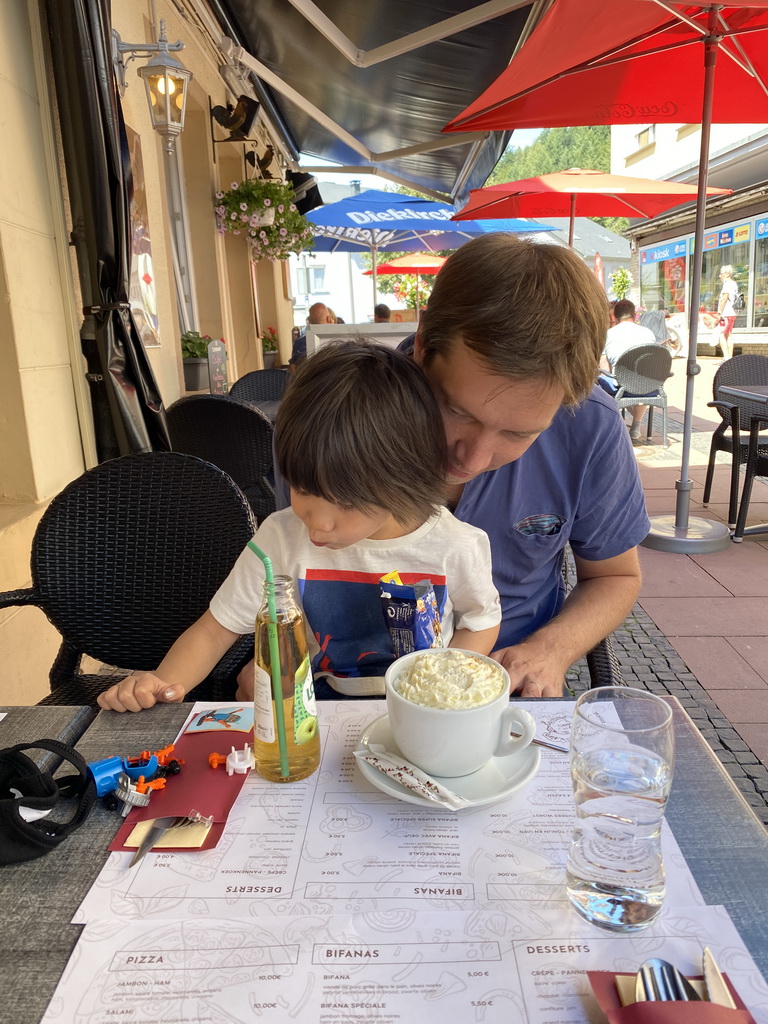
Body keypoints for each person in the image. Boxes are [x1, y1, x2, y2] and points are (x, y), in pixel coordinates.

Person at [272, 234, 648, 699]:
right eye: (457, 410)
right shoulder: (342, 415)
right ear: (424, 345)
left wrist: (551, 648)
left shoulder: (590, 426)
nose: (470, 460)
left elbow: (615, 575)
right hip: (342, 688)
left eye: (517, 433)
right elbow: (287, 565)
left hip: (502, 689)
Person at [96, 343, 501, 711]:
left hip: (419, 718)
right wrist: (163, 684)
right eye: (304, 489)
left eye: (346, 502)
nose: (318, 524)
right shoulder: (280, 536)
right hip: (312, 712)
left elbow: (480, 621)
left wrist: (445, 690)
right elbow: (214, 631)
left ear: (405, 478)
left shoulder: (455, 545)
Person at [597, 298, 658, 440]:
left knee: (600, 380)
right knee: (642, 374)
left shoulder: (609, 334)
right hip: (650, 384)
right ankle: (636, 425)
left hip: (622, 383)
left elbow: (604, 367)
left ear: (614, 317)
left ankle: (611, 425)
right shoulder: (648, 333)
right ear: (634, 315)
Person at [288, 302, 334, 372]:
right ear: (328, 319)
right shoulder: (336, 340)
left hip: (307, 381)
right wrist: (333, 328)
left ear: (310, 321)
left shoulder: (299, 343)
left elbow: (293, 369)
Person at [717, 265, 738, 360]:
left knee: (721, 334)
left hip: (726, 313)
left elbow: (724, 298)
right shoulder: (734, 284)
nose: (719, 276)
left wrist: (719, 312)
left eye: (721, 273)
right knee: (729, 334)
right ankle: (730, 357)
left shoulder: (727, 284)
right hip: (732, 313)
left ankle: (726, 357)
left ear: (727, 274)